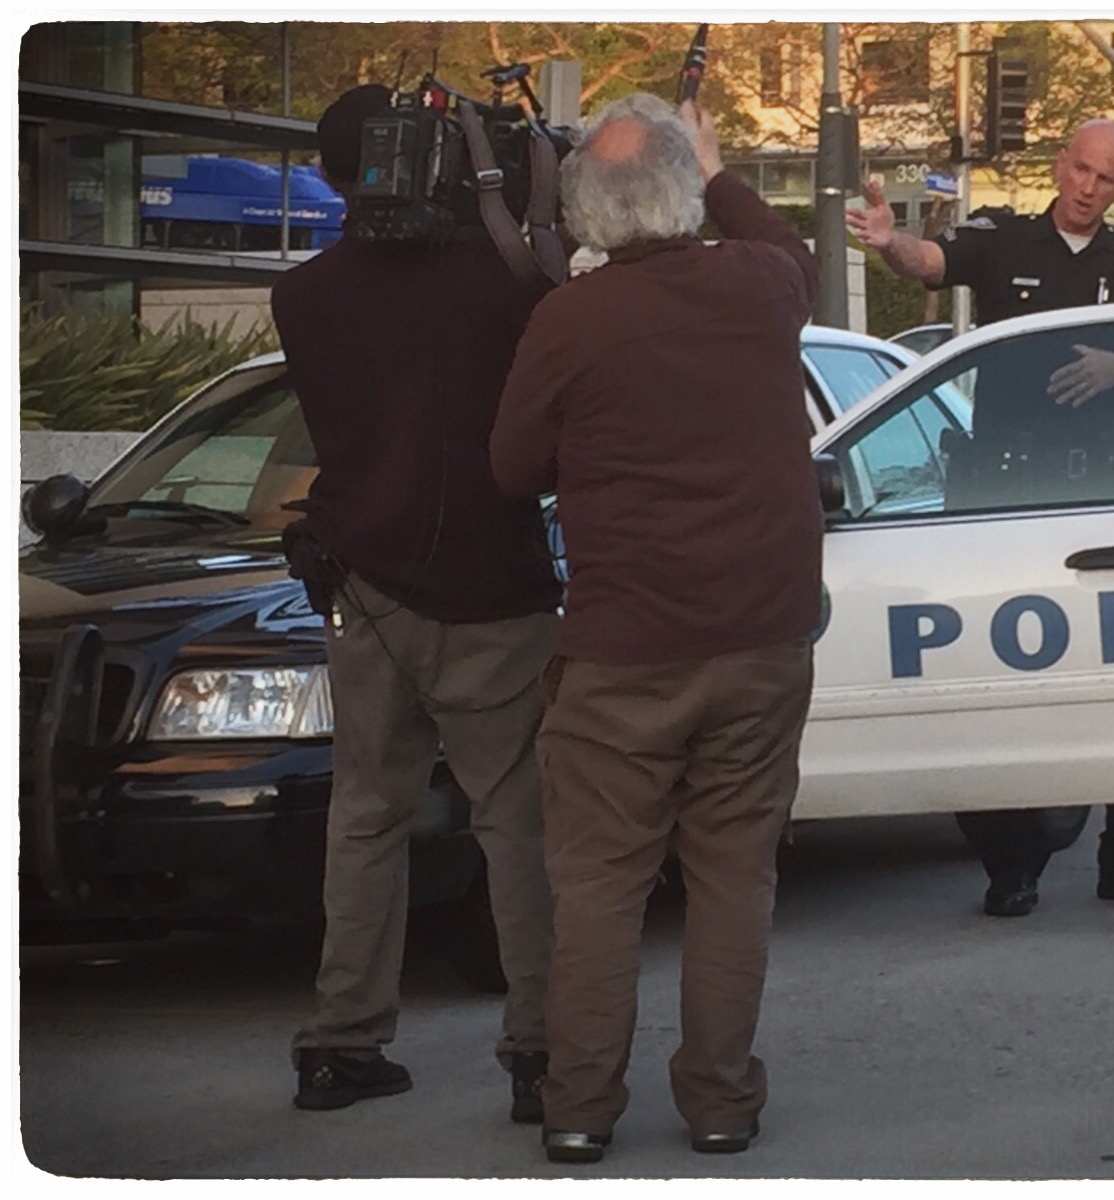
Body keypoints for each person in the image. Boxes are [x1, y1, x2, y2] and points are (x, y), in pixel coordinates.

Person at [489, 93, 820, 1164]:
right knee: (733, 879)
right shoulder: (761, 284)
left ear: (585, 212)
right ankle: (720, 1101)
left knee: (597, 887)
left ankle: (579, 1108)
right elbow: (790, 247)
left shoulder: (570, 321)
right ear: (684, 193)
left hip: (623, 648)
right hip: (762, 638)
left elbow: (512, 467)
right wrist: (717, 167)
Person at [273, 84, 564, 1117]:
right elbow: (551, 278)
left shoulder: (302, 298)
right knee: (518, 826)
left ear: (332, 177)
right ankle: (541, 1053)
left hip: (365, 591)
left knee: (365, 819)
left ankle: (340, 1043)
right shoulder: (503, 282)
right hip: (496, 593)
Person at [846, 118, 1114, 918]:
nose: (1088, 189)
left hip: (1101, 499)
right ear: (1060, 164)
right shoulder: (1002, 240)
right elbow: (929, 261)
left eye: (1106, 180)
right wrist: (888, 241)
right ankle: (1011, 865)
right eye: (1081, 170)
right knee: (996, 681)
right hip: (1003, 500)